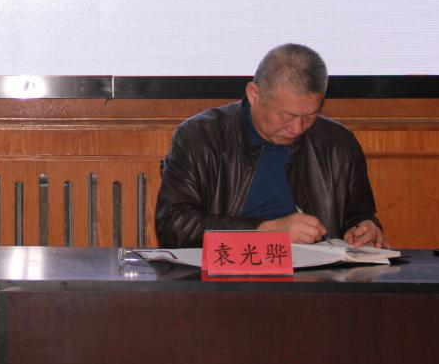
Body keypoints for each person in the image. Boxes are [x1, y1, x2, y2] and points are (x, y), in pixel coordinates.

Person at [155, 43, 386, 248]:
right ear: (254, 94)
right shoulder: (200, 138)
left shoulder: (338, 145)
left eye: (309, 116)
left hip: (317, 277)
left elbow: (359, 216)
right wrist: (264, 231)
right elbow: (174, 227)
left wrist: (366, 229)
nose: (297, 128)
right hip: (228, 274)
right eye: (287, 116)